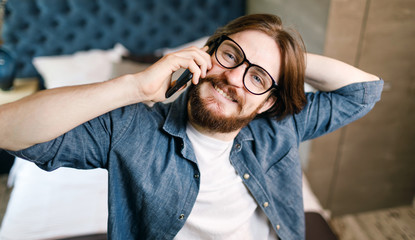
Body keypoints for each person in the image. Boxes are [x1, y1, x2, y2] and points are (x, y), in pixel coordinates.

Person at [0, 14, 383, 239]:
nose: (234, 78)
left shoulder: (279, 125)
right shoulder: (132, 128)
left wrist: (282, 54)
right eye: (231, 56)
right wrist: (132, 86)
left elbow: (364, 92)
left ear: (269, 101)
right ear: (206, 54)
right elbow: (7, 128)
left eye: (258, 77)